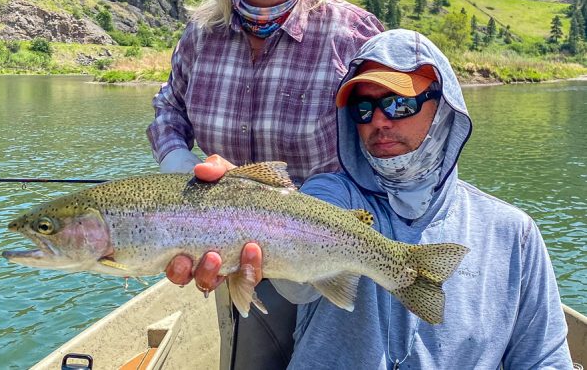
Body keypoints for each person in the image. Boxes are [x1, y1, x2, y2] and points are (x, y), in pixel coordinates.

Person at [174, 29, 573, 369]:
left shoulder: (512, 232)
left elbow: (544, 358)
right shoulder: (332, 193)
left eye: (399, 104)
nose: (379, 121)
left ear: (444, 108)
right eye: (363, 109)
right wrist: (243, 202)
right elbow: (299, 285)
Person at [147, 0, 383, 370]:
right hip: (230, 254)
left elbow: (392, 141)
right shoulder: (199, 36)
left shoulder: (355, 35)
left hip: (329, 248)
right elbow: (170, 109)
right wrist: (178, 166)